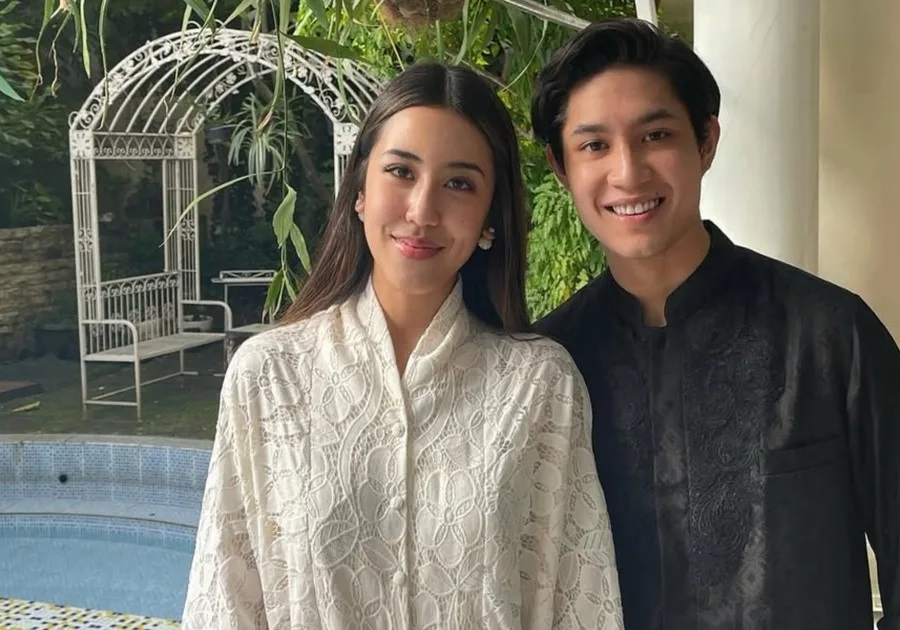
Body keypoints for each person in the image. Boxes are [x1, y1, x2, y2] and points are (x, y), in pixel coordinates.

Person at [529, 18, 900, 630]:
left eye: (655, 135)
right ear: (560, 167)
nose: (628, 172)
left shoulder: (830, 336)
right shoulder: (552, 367)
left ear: (706, 142)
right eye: (594, 146)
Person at [182, 62, 624, 630]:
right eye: (400, 171)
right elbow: (224, 604)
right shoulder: (269, 378)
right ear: (360, 192)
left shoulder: (538, 384)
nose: (422, 211)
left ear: (490, 217)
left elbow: (579, 604)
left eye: (459, 183)